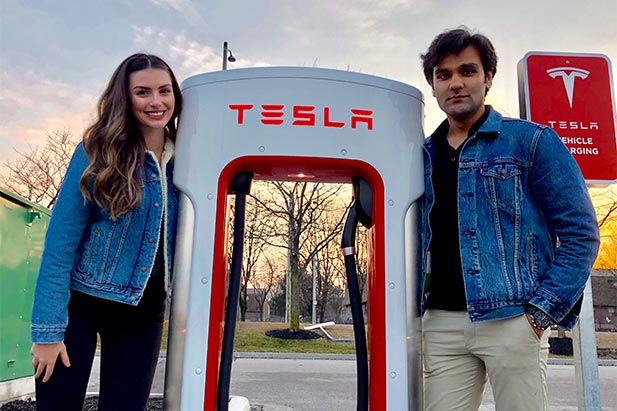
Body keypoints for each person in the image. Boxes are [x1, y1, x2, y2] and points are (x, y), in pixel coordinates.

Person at [419, 27, 600, 411]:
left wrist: (538, 314)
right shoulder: (420, 155)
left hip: (512, 318)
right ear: (433, 86)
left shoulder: (531, 142)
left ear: (488, 79)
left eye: (467, 71)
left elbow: (581, 234)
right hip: (440, 324)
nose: (455, 83)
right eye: (443, 74)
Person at [30, 53, 183, 411]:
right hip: (80, 304)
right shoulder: (96, 152)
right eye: (143, 92)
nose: (156, 102)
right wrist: (48, 333)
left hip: (143, 308)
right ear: (125, 98)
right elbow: (60, 244)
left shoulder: (187, 157)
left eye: (165, 90)